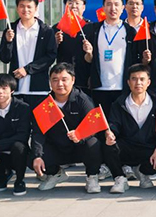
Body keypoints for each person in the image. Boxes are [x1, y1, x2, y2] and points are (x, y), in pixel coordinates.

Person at [31, 63, 103, 194]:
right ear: (50, 82)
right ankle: (55, 174)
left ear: (73, 80)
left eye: (64, 79)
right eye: (55, 80)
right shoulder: (45, 104)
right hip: (57, 147)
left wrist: (80, 135)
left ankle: (92, 176)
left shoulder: (83, 100)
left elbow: (93, 126)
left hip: (79, 147)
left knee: (93, 143)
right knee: (31, 153)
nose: (60, 84)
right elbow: (38, 133)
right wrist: (37, 156)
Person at [102, 64, 156, 194]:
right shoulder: (119, 103)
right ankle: (120, 178)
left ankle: (142, 172)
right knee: (108, 146)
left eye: (142, 79)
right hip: (127, 147)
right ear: (128, 82)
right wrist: (109, 134)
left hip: (148, 148)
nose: (138, 83)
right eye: (134, 79)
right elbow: (113, 125)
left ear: (148, 82)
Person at [0, 0, 57, 109]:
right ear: (17, 8)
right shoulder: (10, 30)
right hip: (15, 89)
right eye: (22, 6)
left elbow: (50, 57)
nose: (25, 10)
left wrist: (27, 69)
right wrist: (8, 42)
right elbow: (5, 58)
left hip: (38, 89)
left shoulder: (46, 31)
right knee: (17, 120)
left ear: (36, 8)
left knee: (38, 121)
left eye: (29, 6)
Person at [82, 0, 137, 114]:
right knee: (101, 122)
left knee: (121, 122)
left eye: (116, 4)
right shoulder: (93, 30)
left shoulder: (130, 31)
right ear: (103, 8)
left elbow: (134, 59)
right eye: (109, 4)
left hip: (123, 87)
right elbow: (87, 60)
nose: (113, 8)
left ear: (123, 8)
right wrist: (89, 53)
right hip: (99, 87)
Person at [54, 0, 91, 90]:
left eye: (77, 3)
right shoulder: (58, 28)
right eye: (70, 3)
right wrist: (55, 43)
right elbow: (50, 54)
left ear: (84, 7)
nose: (74, 6)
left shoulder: (91, 27)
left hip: (85, 78)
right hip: (63, 79)